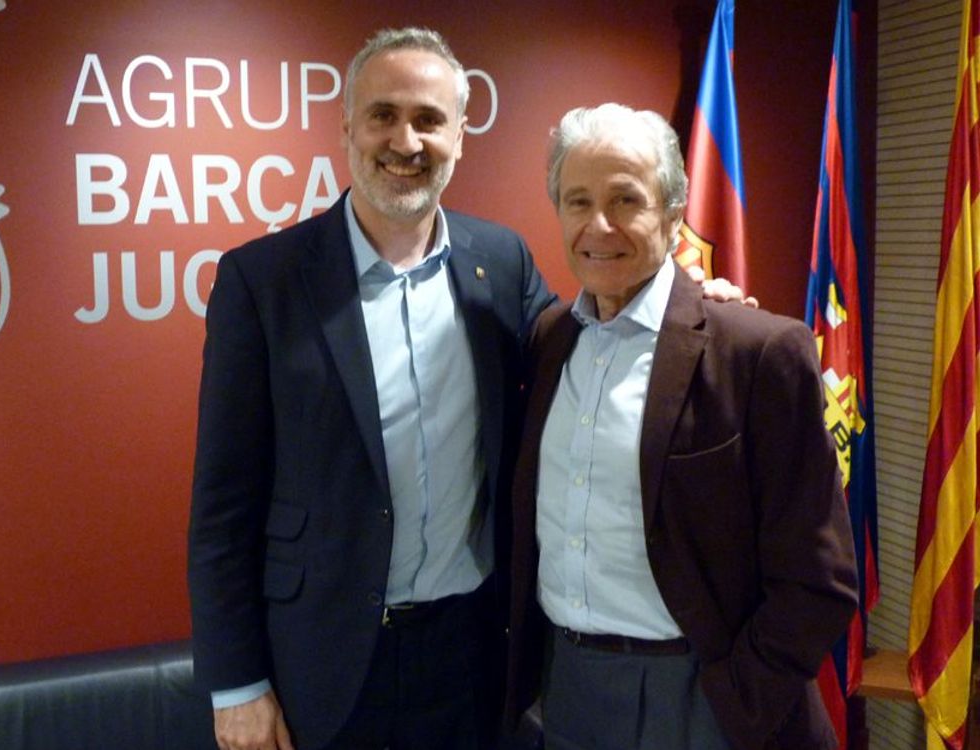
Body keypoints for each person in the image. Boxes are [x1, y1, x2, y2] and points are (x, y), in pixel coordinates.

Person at [188, 27, 553, 750]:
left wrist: (684, 308)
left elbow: (574, 348)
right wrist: (236, 685)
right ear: (347, 126)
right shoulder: (262, 281)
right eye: (383, 115)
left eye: (428, 119)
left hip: (470, 656)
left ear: (459, 137)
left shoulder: (501, 261)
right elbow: (223, 507)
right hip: (323, 663)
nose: (405, 141)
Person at [504, 103, 859, 750]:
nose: (599, 225)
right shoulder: (549, 341)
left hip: (700, 694)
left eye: (626, 200)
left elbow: (819, 577)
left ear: (672, 216)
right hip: (566, 686)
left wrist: (737, 700)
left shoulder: (755, 352)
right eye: (578, 201)